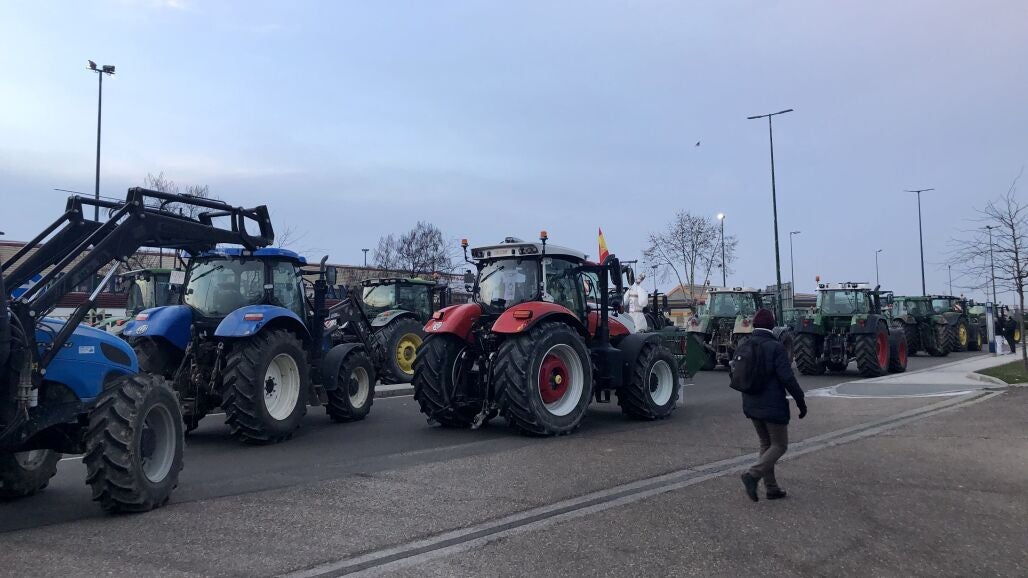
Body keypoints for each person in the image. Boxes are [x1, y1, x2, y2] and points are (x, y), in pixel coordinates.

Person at [740, 309, 807, 502]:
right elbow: (788, 378)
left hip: (751, 403)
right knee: (779, 445)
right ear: (772, 326)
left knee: (766, 444)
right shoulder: (776, 347)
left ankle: (771, 488)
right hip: (772, 405)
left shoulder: (744, 344)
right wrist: (800, 401)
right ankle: (752, 475)